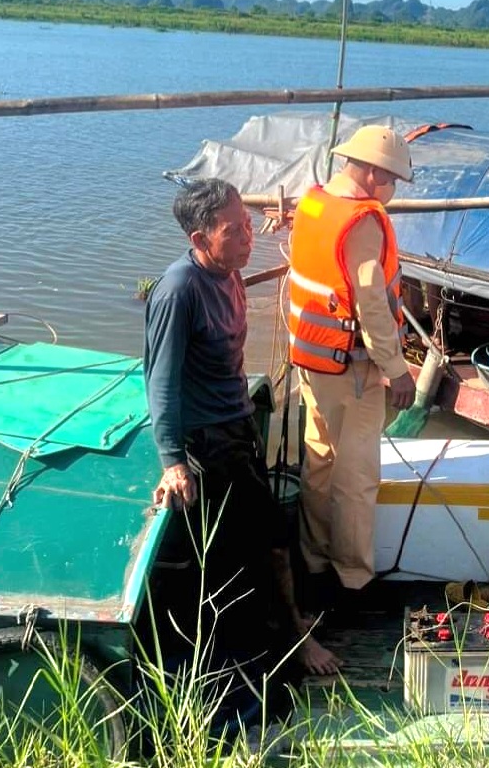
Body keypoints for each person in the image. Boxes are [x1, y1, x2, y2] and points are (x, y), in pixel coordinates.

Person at [144, 177, 340, 676]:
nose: (249, 237)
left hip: (238, 424)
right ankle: (286, 643)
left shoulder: (229, 272)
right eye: (235, 231)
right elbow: (160, 383)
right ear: (199, 240)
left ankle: (284, 625)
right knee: (257, 546)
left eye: (250, 225)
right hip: (206, 443)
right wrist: (172, 462)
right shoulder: (177, 291)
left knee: (268, 537)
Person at [287, 125, 416, 608]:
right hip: (352, 368)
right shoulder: (362, 220)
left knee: (319, 462)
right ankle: (353, 580)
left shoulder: (314, 202)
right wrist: (397, 369)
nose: (393, 189)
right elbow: (371, 303)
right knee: (357, 478)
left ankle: (314, 560)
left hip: (312, 357)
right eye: (392, 179)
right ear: (371, 172)